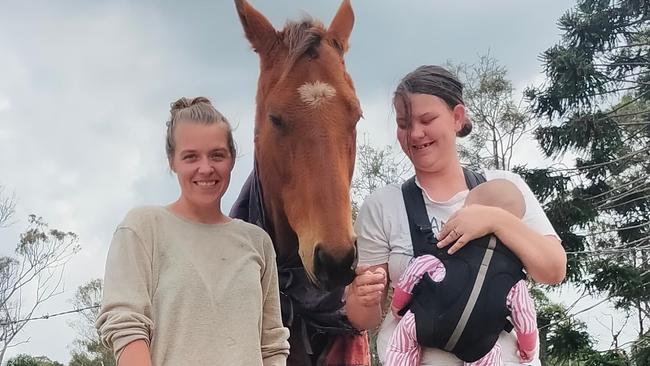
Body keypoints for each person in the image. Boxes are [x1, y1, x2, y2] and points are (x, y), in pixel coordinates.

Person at [345, 65, 566, 366]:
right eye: (403, 123)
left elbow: (553, 269)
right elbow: (365, 320)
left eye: (427, 120)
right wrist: (360, 298)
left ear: (457, 117)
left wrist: (495, 220)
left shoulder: (504, 189)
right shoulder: (382, 205)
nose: (415, 133)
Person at [96, 97, 290, 366]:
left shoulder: (257, 242)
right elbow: (126, 326)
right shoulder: (143, 227)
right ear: (172, 161)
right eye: (191, 157)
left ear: (232, 159)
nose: (206, 168)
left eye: (217, 155)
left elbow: (272, 345)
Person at [385, 179, 538, 366]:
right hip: (478, 343)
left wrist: (398, 306)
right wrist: (528, 347)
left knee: (402, 344)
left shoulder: (449, 247)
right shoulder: (513, 273)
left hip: (425, 323)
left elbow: (416, 270)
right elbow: (525, 313)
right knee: (490, 355)